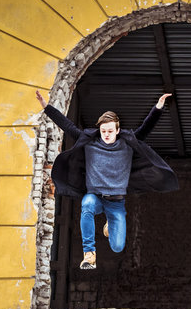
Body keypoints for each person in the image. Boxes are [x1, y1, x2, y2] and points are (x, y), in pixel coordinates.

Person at [35, 91, 178, 269]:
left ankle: (110, 222)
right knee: (86, 204)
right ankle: (89, 254)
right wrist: (46, 107)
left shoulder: (127, 144)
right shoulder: (89, 142)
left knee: (117, 247)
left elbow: (146, 128)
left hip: (116, 202)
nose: (107, 134)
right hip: (95, 196)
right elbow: (67, 125)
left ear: (118, 130)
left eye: (110, 131)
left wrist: (158, 107)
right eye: (103, 131)